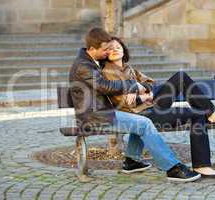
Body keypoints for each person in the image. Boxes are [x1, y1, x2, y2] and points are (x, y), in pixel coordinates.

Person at [69, 27, 201, 182]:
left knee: (137, 119)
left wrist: (138, 86)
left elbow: (144, 82)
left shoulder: (89, 61)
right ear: (92, 48)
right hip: (96, 117)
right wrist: (133, 85)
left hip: (104, 112)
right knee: (144, 123)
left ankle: (131, 162)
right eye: (105, 50)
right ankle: (173, 168)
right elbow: (104, 86)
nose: (107, 52)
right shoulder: (84, 65)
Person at [102, 37, 215, 178]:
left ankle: (210, 112)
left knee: (180, 77)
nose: (114, 50)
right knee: (197, 114)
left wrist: (142, 87)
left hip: (151, 105)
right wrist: (145, 96)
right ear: (105, 54)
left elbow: (149, 82)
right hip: (140, 114)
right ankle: (202, 166)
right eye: (110, 48)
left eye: (117, 47)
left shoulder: (129, 68)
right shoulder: (108, 73)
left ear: (123, 50)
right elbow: (127, 103)